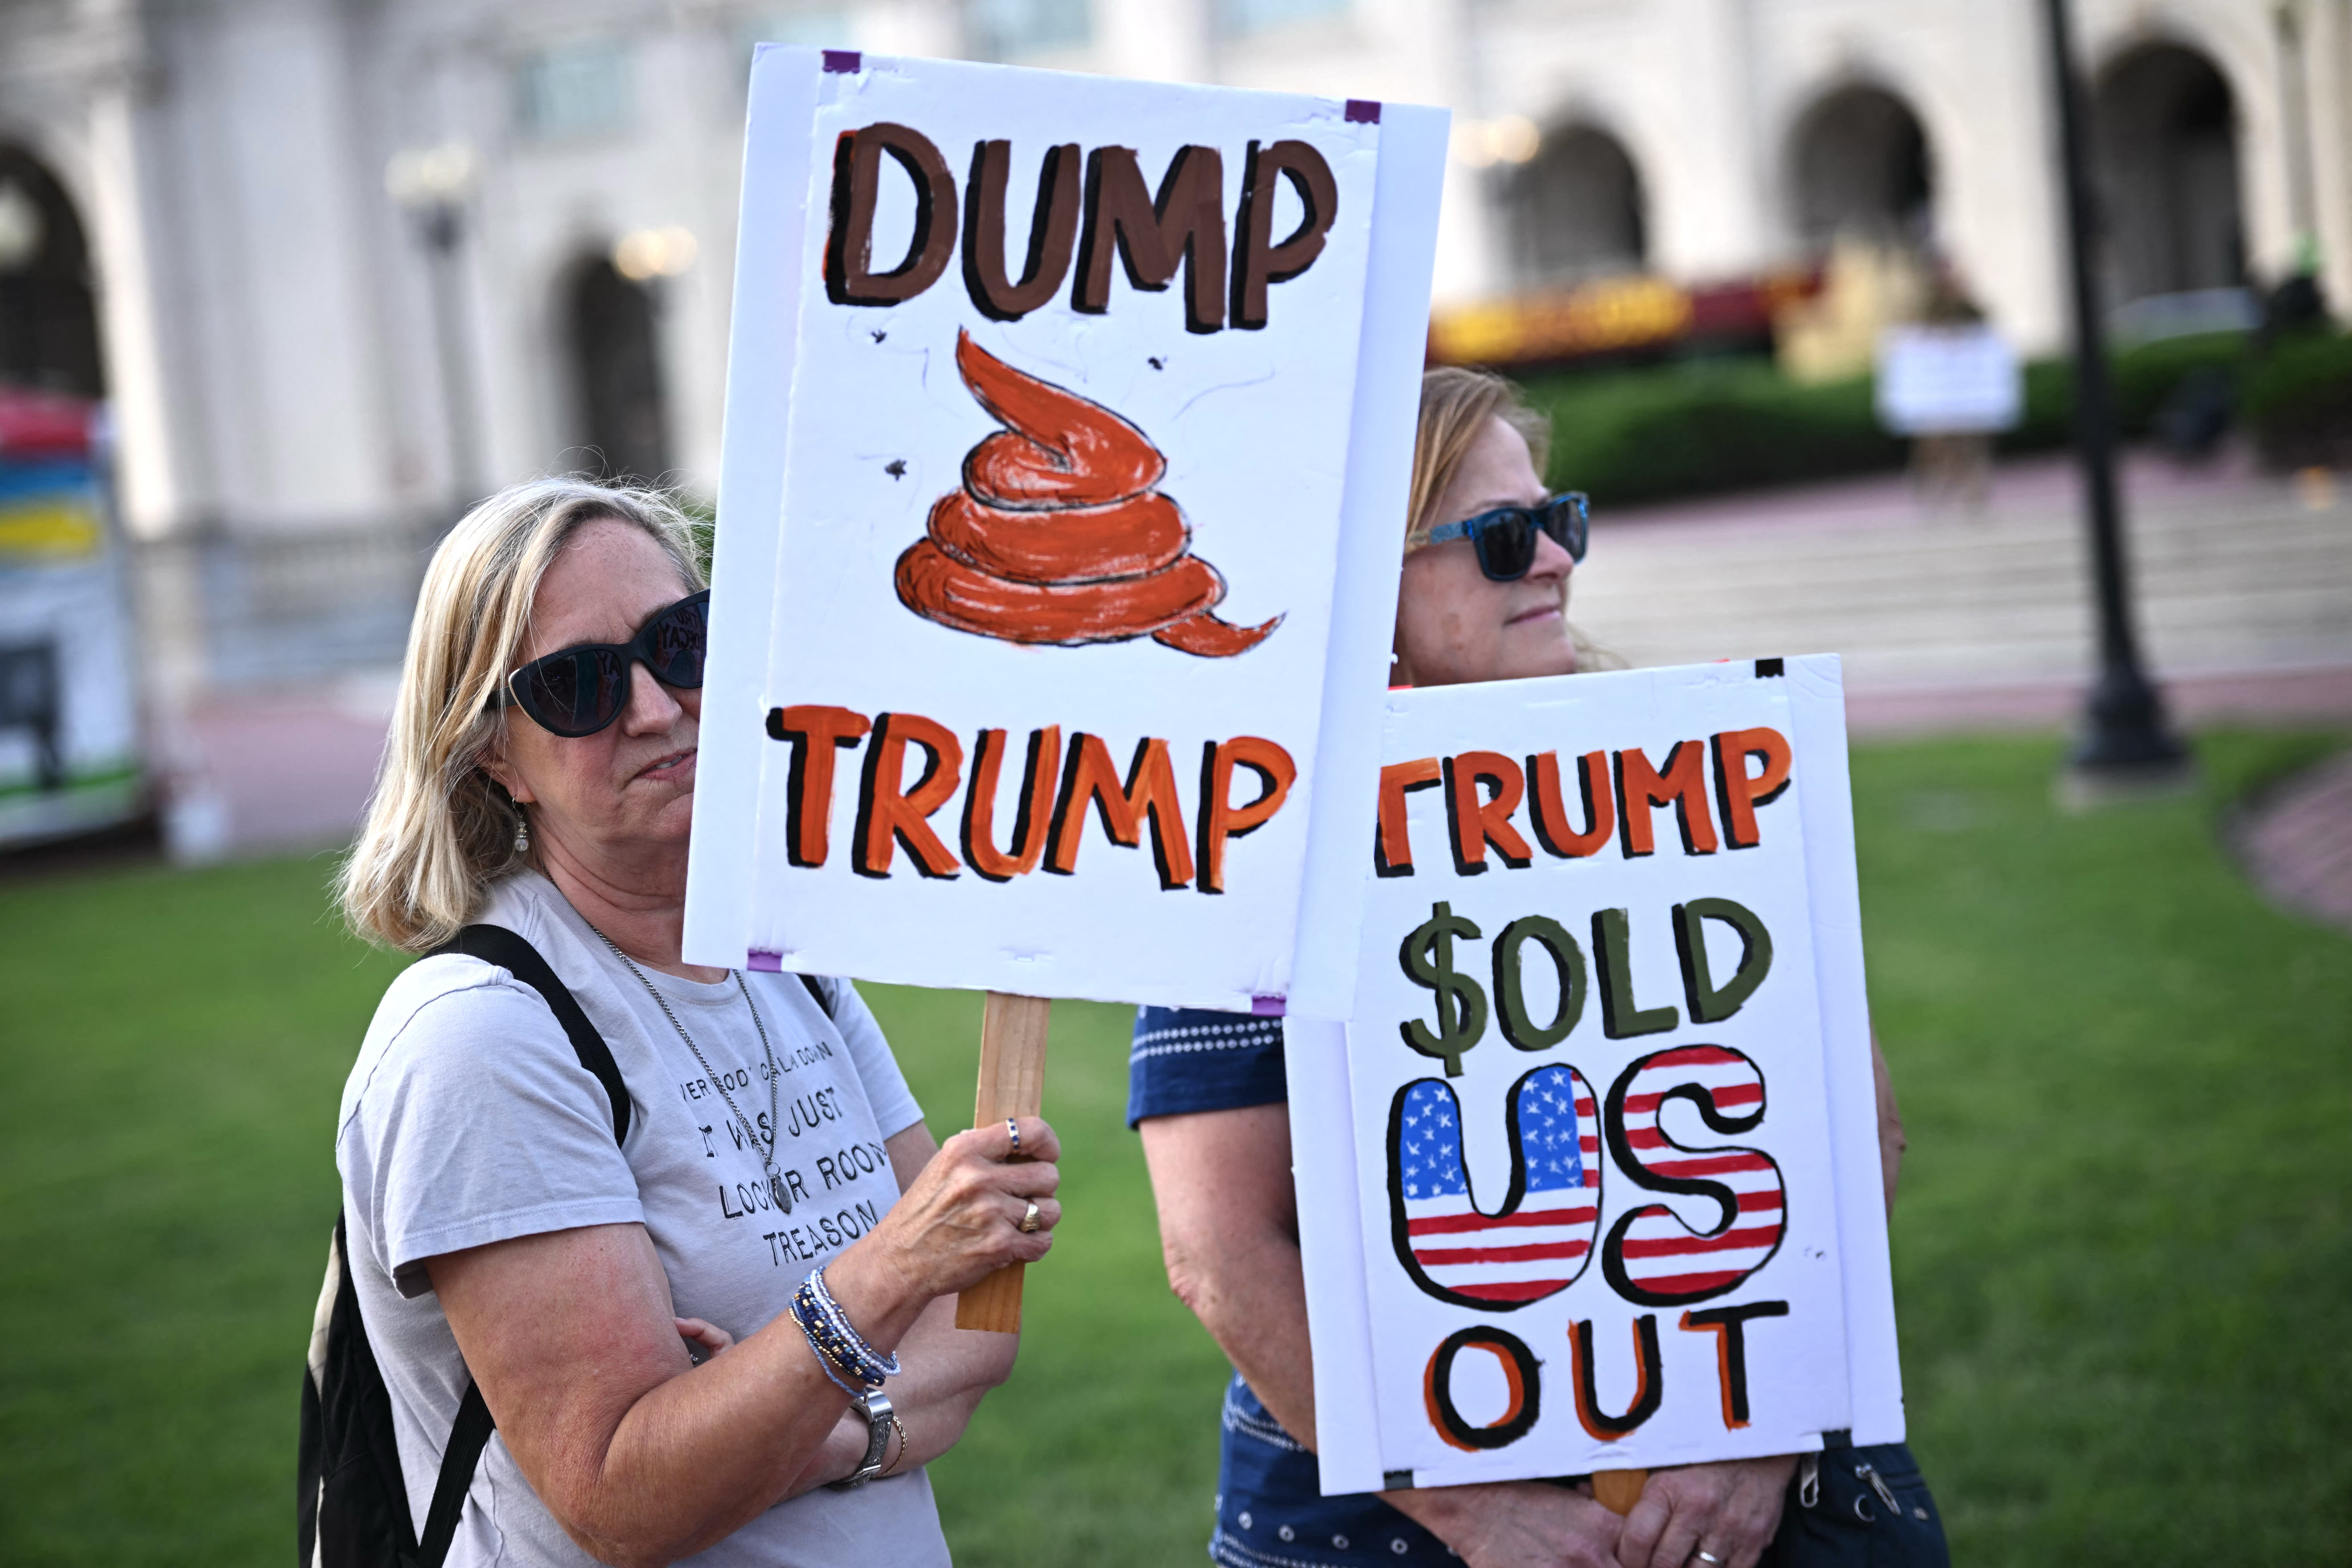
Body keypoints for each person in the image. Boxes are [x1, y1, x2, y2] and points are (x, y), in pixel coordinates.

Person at [1131, 368, 1923, 1568]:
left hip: (1745, 1504)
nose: (1555, 558)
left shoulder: (1695, 774)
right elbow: (1219, 1248)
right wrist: (1473, 1510)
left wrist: (1759, 1441)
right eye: (1506, 537)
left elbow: (1852, 1127)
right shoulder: (1260, 836)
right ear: (1359, 582)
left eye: (1562, 520)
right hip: (1381, 1526)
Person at [334, 478, 1061, 1567]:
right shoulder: (483, 1040)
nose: (655, 707)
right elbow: (629, 1500)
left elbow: (980, 1323)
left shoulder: (790, 968)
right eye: (576, 685)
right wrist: (892, 1271)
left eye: (681, 641)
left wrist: (799, 1429)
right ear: (492, 754)